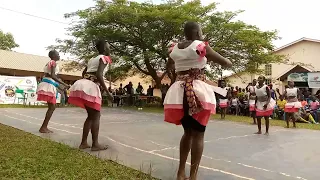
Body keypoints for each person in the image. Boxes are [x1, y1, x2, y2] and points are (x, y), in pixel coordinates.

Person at [163, 22, 232, 180]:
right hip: (197, 91)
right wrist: (229, 62)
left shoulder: (174, 48)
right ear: (196, 33)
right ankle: (193, 176)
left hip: (179, 92)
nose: (202, 35)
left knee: (187, 133)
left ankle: (181, 173)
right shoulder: (201, 46)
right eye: (200, 31)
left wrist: (182, 69)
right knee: (198, 135)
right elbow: (224, 62)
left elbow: (169, 65)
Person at [68, 40, 113, 151]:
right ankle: (95, 144)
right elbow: (99, 74)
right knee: (96, 116)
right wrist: (107, 91)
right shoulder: (105, 58)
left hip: (84, 83)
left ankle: (84, 143)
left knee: (91, 116)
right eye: (108, 46)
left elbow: (84, 73)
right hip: (91, 86)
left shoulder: (92, 59)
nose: (109, 47)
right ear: (104, 48)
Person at [36, 50, 69, 133]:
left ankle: (44, 127)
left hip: (48, 83)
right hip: (48, 85)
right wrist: (64, 83)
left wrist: (59, 85)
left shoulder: (49, 63)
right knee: (52, 107)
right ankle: (43, 127)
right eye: (57, 54)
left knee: (51, 107)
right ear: (53, 56)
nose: (59, 55)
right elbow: (53, 75)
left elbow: (50, 75)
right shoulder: (53, 62)